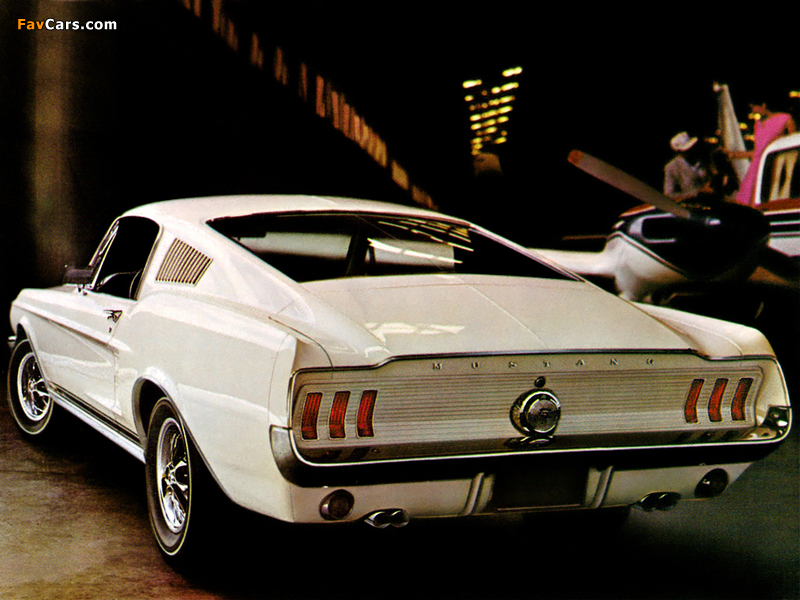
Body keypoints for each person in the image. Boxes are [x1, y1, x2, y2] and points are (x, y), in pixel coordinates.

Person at [729, 103, 796, 205]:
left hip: (773, 163)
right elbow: (756, 152)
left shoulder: (786, 119)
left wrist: (779, 140)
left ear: (763, 105)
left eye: (754, 107)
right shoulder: (758, 124)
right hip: (755, 167)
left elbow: (792, 142)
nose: (753, 111)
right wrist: (733, 155)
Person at [663, 131, 712, 201]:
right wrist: (697, 193)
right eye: (687, 150)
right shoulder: (672, 168)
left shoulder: (702, 159)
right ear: (679, 152)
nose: (691, 151)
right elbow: (669, 195)